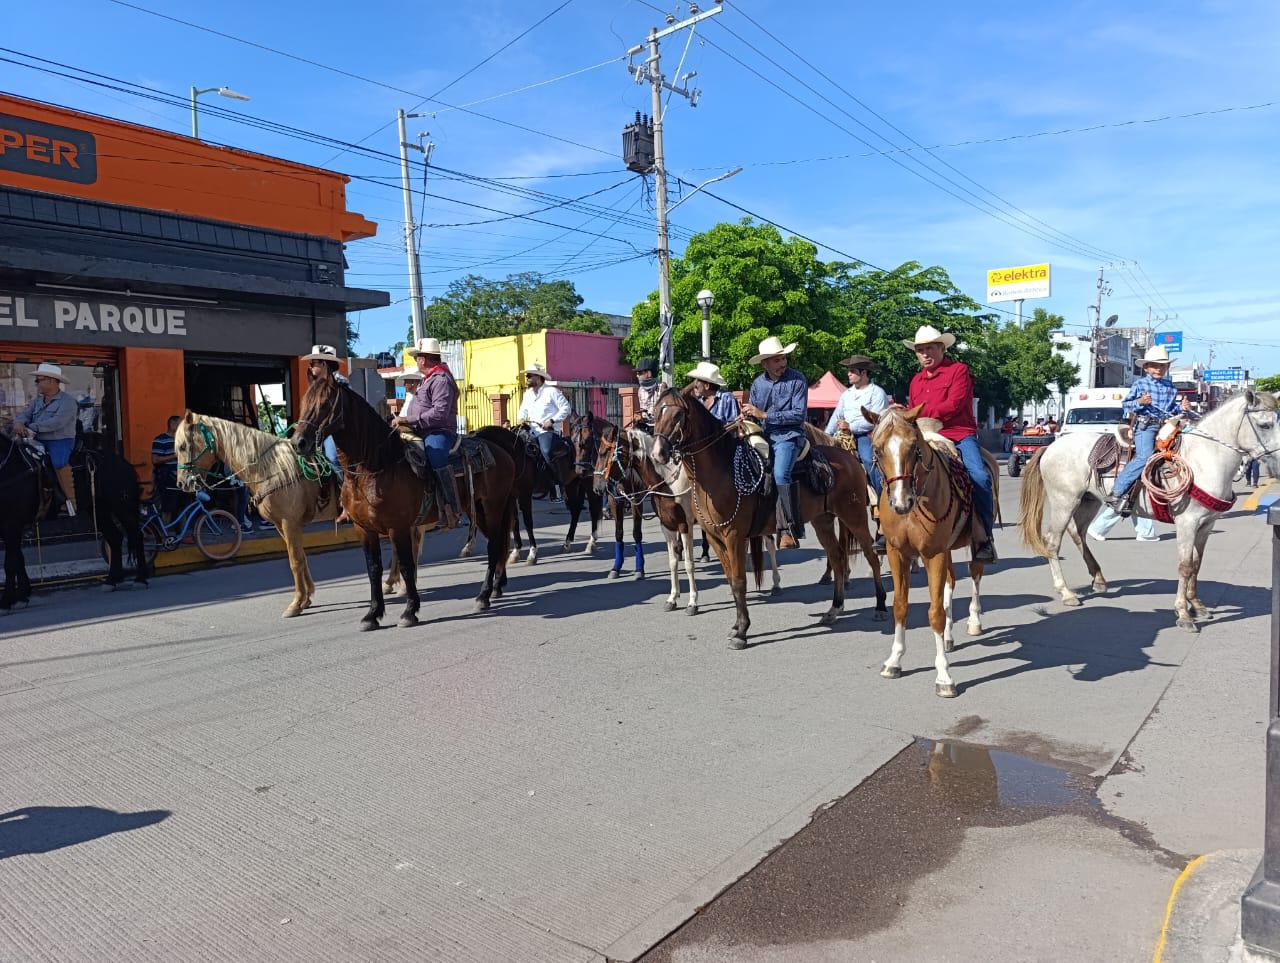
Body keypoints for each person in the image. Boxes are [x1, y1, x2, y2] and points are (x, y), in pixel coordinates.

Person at [905, 325, 997, 563]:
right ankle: (889, 529)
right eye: (920, 350)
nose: (925, 354)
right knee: (895, 470)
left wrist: (918, 412)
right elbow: (911, 411)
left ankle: (983, 537)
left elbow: (954, 404)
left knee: (979, 476)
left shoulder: (959, 371)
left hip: (957, 433)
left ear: (941, 348)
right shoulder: (915, 381)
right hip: (923, 434)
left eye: (930, 349)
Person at [742, 336, 808, 549]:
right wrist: (747, 417)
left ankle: (789, 528)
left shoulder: (797, 380)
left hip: (789, 436)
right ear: (765, 363)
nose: (782, 363)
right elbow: (753, 411)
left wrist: (763, 414)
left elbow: (798, 415)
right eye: (776, 360)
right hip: (762, 435)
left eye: (783, 358)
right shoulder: (757, 384)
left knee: (780, 474)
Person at [394, 337, 466, 530]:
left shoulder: (441, 379)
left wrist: (408, 420)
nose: (416, 360)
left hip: (439, 430)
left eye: (417, 357)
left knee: (435, 455)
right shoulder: (429, 379)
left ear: (423, 359)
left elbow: (439, 413)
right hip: (420, 429)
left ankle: (452, 508)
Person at [1105, 345, 1186, 514]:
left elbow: (1172, 411)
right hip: (1146, 426)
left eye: (1162, 365)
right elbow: (1125, 405)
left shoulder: (1171, 387)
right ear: (1146, 367)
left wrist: (1183, 408)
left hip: (1166, 427)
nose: (1159, 368)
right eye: (1154, 365)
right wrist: (1140, 402)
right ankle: (1117, 491)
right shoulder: (1140, 384)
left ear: (1168, 367)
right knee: (1145, 456)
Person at [13, 363, 78, 517]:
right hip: (38, 440)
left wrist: (32, 428)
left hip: (60, 440)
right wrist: (18, 423)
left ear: (50, 381)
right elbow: (25, 414)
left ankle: (72, 502)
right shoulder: (37, 401)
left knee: (58, 462)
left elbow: (57, 423)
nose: (36, 384)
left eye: (38, 380)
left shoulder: (68, 402)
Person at [825, 355, 887, 499]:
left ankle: (881, 497)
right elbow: (836, 416)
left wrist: (850, 426)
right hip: (844, 435)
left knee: (868, 458)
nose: (848, 374)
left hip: (867, 436)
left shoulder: (877, 393)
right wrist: (826, 435)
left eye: (852, 371)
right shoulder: (846, 394)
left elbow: (875, 420)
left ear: (863, 373)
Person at [517, 362, 572, 481]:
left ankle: (557, 484)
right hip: (530, 432)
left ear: (538, 377)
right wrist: (521, 418)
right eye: (527, 376)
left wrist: (552, 420)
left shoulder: (552, 391)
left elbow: (566, 408)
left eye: (529, 376)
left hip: (547, 432)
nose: (527, 378)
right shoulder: (527, 394)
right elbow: (523, 410)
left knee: (546, 451)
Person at [151, 414, 184, 521]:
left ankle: (181, 534)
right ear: (172, 424)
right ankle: (166, 534)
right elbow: (155, 460)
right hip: (167, 479)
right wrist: (174, 456)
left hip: (182, 478)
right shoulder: (160, 439)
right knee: (167, 508)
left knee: (183, 508)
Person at [634, 358, 662, 431]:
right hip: (645, 428)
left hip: (660, 430)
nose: (637, 376)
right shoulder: (641, 390)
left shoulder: (662, 388)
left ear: (649, 373)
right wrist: (640, 417)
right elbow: (643, 410)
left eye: (639, 373)